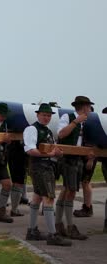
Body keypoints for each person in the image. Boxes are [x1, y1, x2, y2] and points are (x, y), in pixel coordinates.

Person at [24, 103, 71, 246]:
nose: (46, 118)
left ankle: (32, 231)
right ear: (38, 115)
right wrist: (51, 154)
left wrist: (57, 154)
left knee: (37, 198)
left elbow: (51, 150)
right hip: (40, 168)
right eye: (44, 115)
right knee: (49, 199)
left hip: (45, 167)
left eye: (49, 115)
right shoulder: (32, 128)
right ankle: (52, 235)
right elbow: (30, 150)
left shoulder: (48, 131)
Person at [55, 96, 93, 240]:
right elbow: (61, 134)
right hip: (68, 159)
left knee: (66, 190)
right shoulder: (68, 117)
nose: (90, 110)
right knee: (70, 191)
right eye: (89, 107)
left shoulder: (86, 122)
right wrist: (76, 121)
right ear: (84, 107)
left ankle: (59, 225)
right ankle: (69, 227)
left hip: (77, 159)